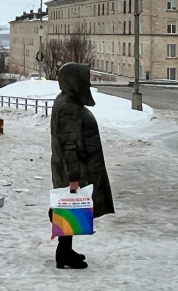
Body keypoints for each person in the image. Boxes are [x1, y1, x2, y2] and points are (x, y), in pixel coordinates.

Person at [50, 62, 115, 270]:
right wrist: (73, 176)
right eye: (83, 79)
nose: (86, 83)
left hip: (70, 167)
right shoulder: (68, 107)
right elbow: (69, 144)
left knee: (69, 207)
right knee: (69, 206)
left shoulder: (67, 101)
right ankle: (63, 253)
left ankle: (65, 250)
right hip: (73, 167)